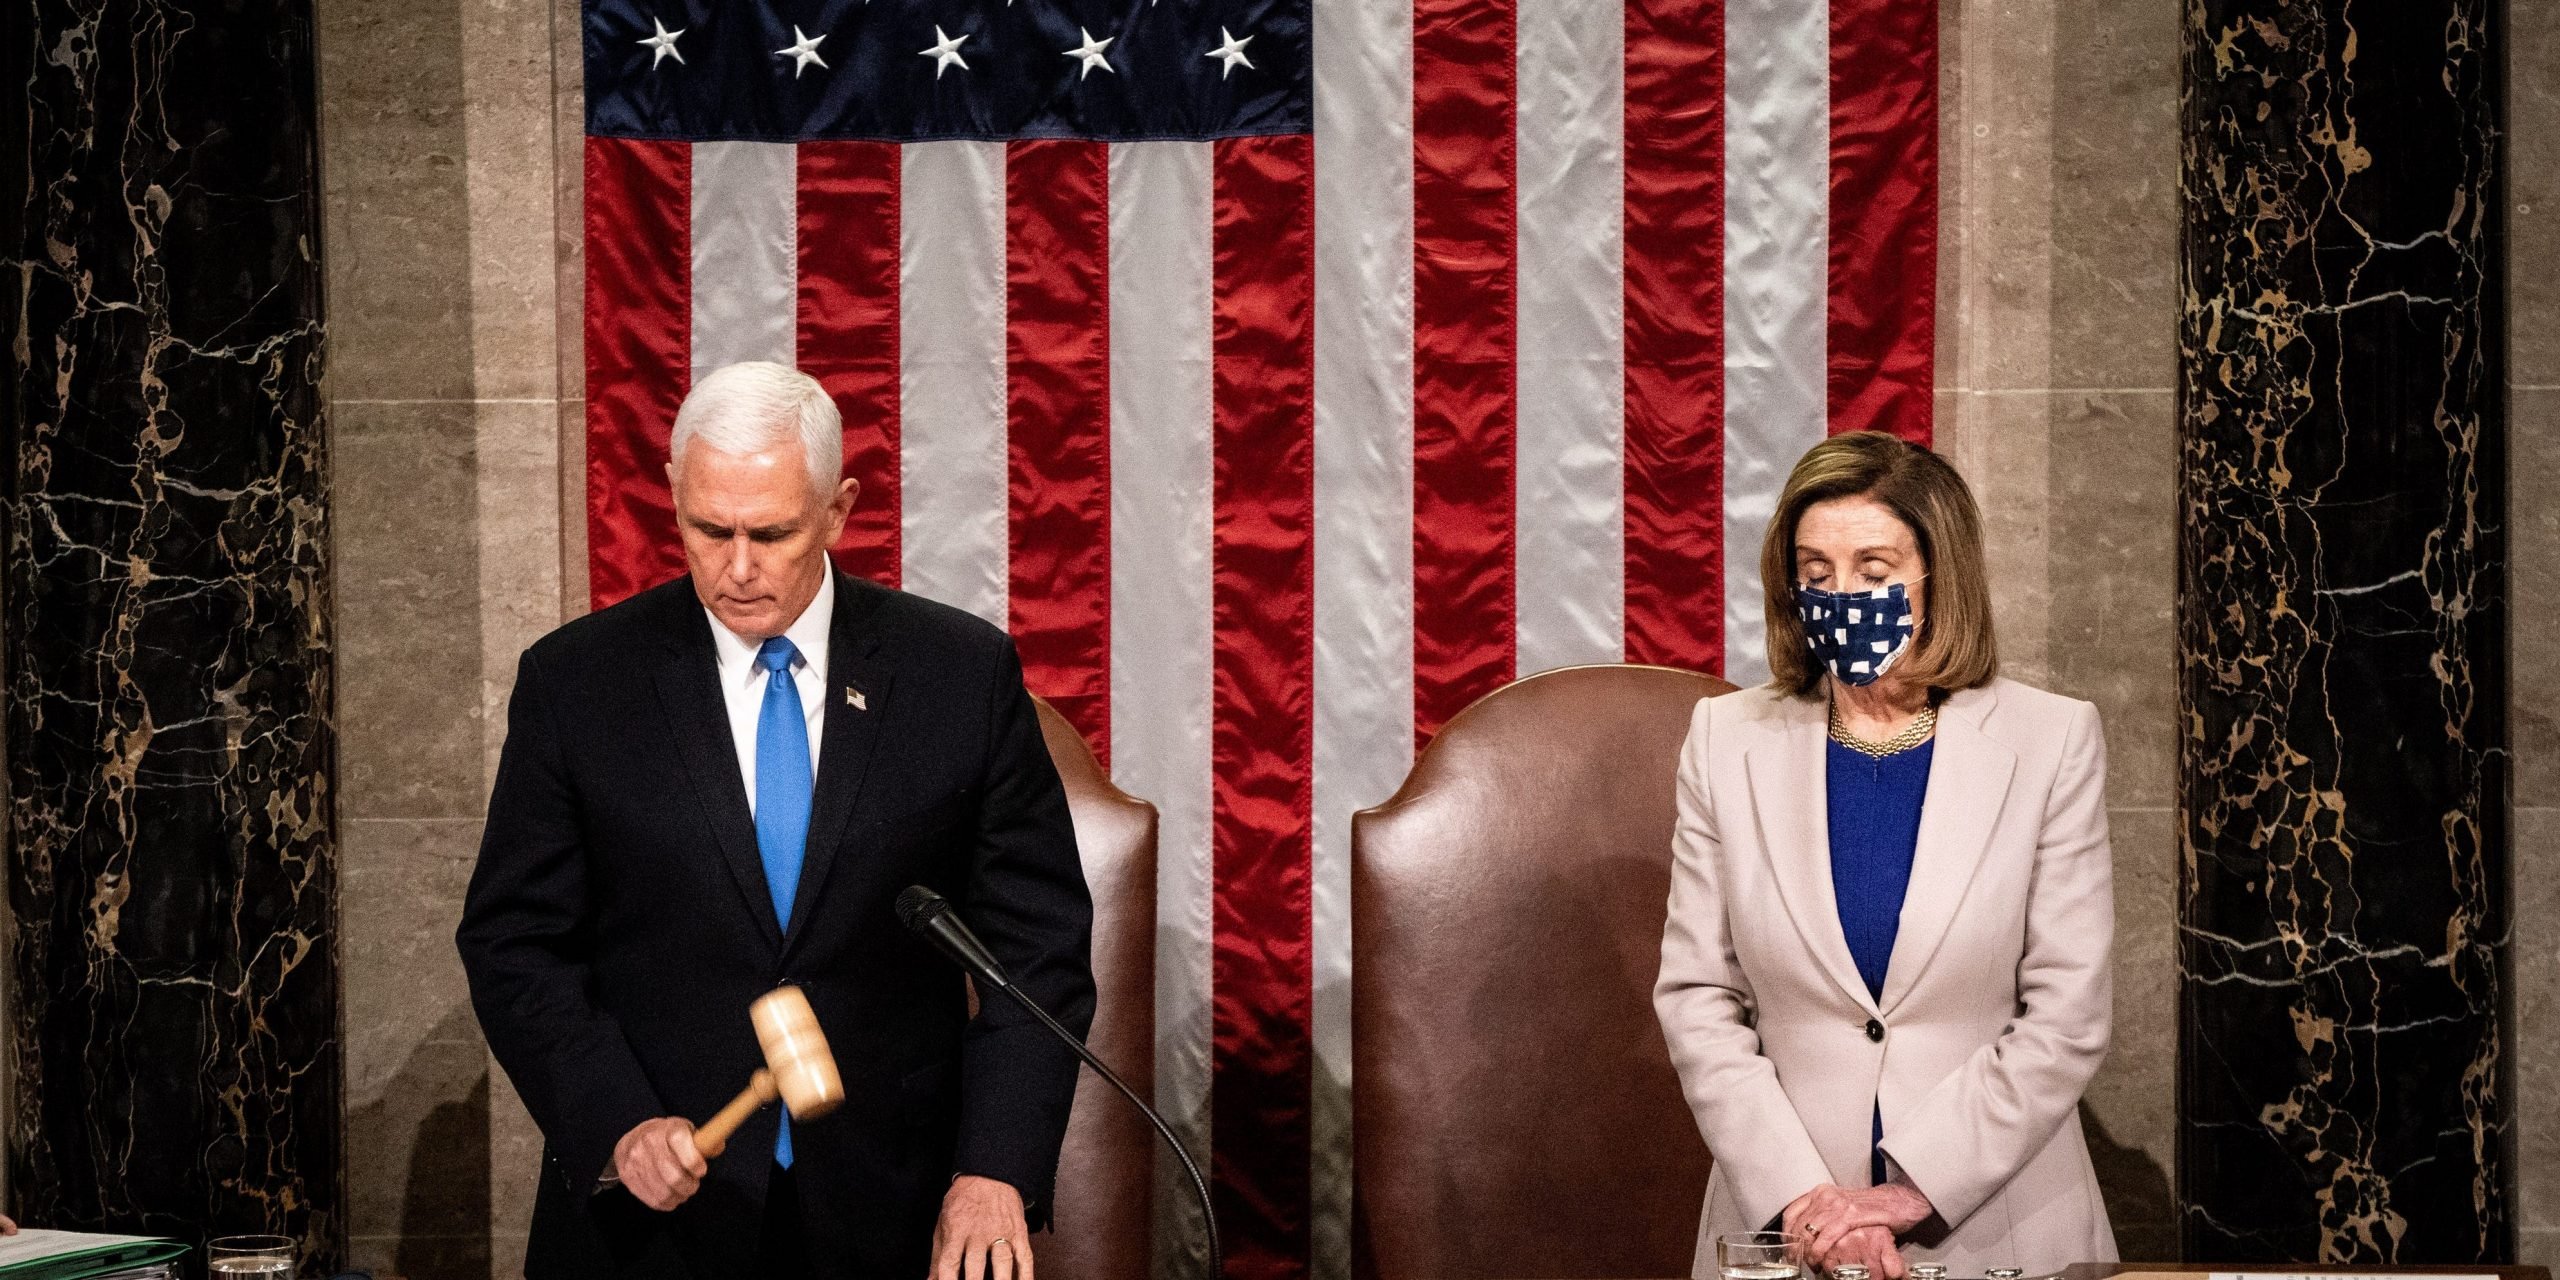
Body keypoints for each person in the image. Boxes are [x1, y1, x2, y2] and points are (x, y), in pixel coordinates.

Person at [457, 361, 1095, 1280]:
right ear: (673, 497)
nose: (738, 567)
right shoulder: (578, 685)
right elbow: (514, 941)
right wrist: (616, 1121)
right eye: (708, 530)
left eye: (772, 533)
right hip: (657, 1219)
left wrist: (994, 1168)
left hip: (896, 1207)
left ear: (838, 511)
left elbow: (1035, 948)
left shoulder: (956, 676)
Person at [1654, 431, 2117, 1278]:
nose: (1841, 597)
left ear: (1942, 578)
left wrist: (1909, 1190)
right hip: (1788, 1234)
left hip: (1996, 1224)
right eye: (1816, 572)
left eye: (1874, 572)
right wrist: (1810, 1202)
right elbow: (1697, 998)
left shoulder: (2050, 740)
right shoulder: (1724, 741)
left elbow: (2066, 1014)